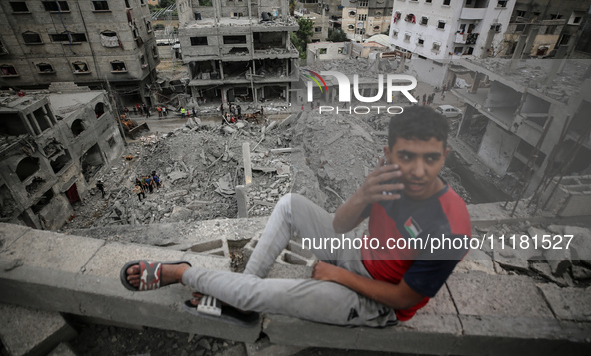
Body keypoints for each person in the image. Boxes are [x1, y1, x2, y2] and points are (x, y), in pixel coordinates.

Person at [121, 106, 471, 327]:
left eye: (431, 159)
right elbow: (340, 225)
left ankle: (183, 273)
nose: (418, 171)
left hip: (376, 302)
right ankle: (246, 292)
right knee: (290, 204)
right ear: (388, 152)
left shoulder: (449, 227)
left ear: (445, 155)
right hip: (357, 253)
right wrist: (364, 193)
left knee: (259, 295)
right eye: (407, 156)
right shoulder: (388, 176)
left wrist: (337, 275)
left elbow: (403, 300)